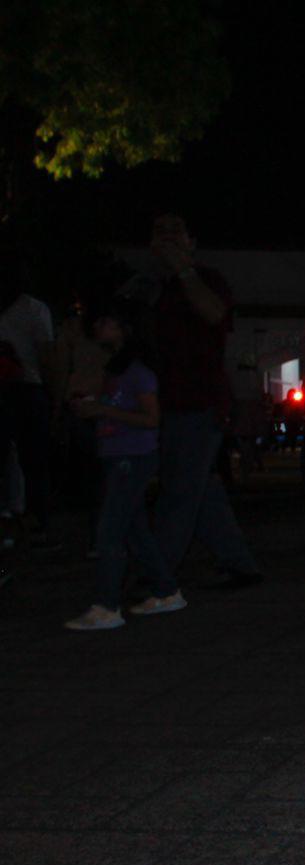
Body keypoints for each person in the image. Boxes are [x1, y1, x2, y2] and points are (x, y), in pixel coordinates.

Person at [144, 213, 263, 589]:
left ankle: (158, 576)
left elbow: (214, 313)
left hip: (199, 400)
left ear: (190, 242)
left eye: (175, 232)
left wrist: (185, 271)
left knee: (180, 492)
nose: (167, 239)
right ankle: (238, 561)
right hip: (164, 401)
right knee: (199, 487)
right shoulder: (150, 288)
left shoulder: (206, 280)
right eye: (159, 232)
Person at [64, 306, 183, 630]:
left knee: (110, 530)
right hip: (118, 453)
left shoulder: (138, 372)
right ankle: (165, 590)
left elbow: (151, 419)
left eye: (106, 321)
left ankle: (107, 605)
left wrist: (102, 409)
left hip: (133, 456)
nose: (99, 328)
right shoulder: (117, 370)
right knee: (134, 530)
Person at [0, 249, 57, 546]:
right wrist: (53, 390)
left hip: (12, 387)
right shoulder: (34, 309)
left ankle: (9, 516)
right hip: (27, 386)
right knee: (34, 459)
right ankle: (37, 520)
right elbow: (46, 356)